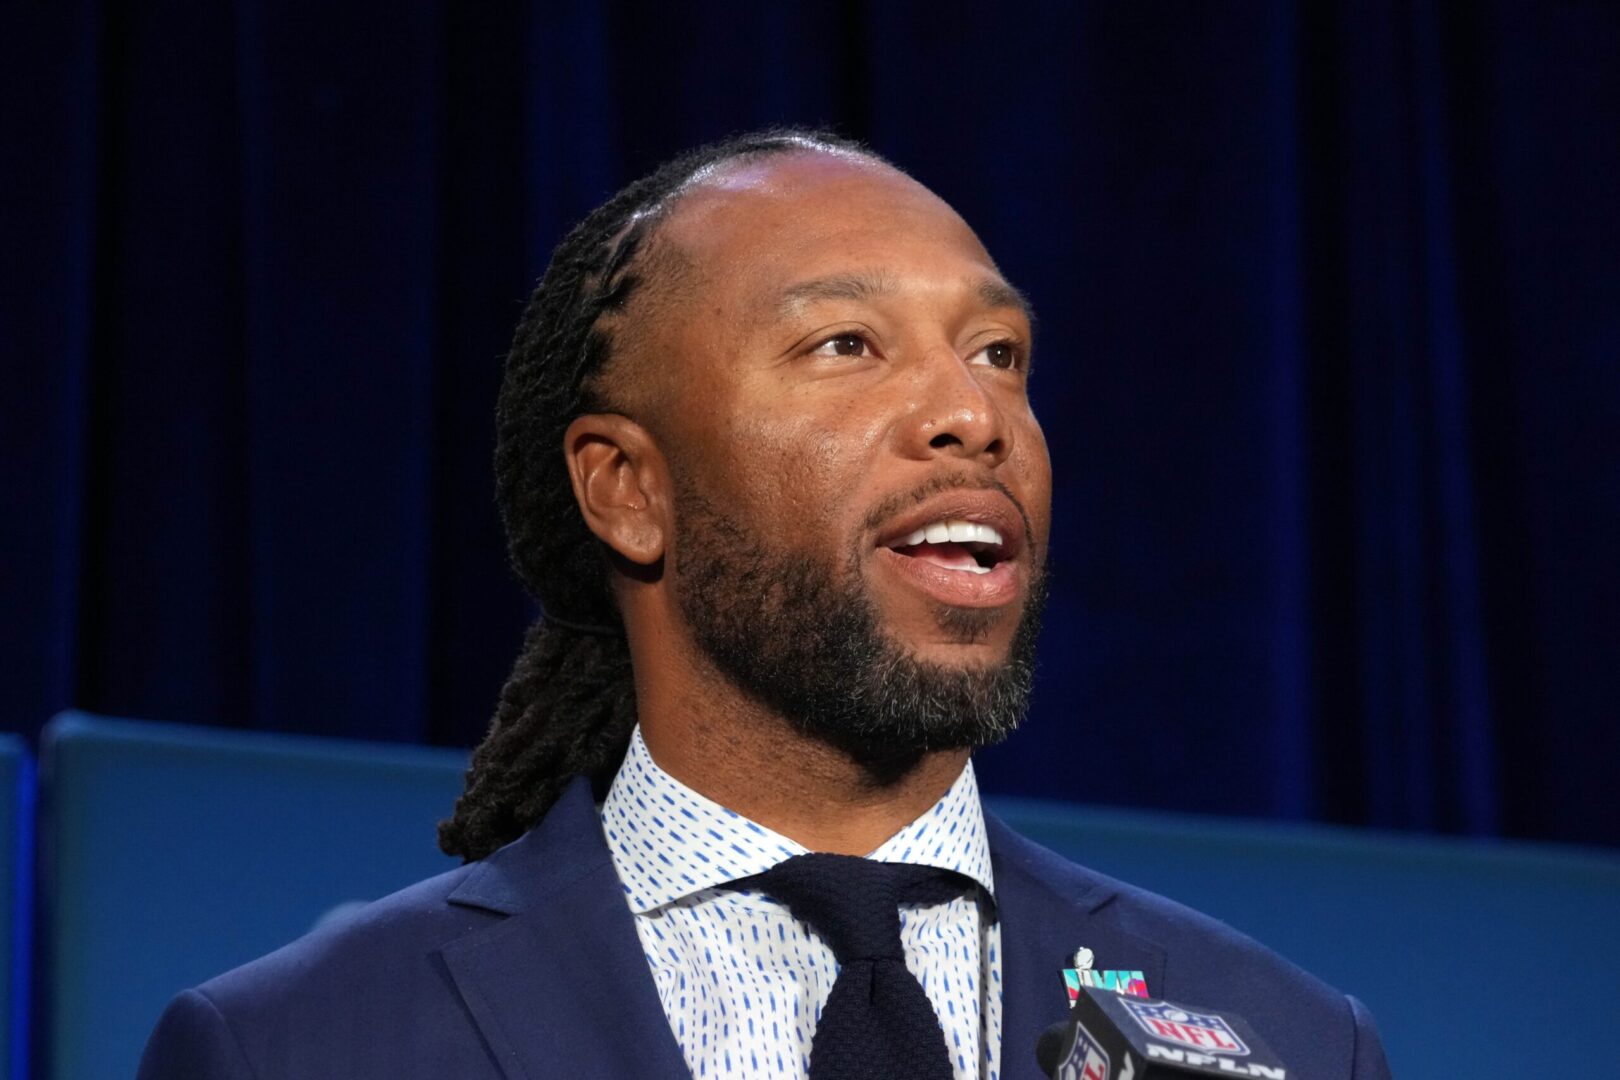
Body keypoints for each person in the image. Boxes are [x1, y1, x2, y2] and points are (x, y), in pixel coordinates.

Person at [138, 129, 1391, 1080]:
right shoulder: (297, 1046)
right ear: (627, 489)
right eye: (846, 344)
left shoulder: (1289, 1038)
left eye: (998, 352)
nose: (976, 413)